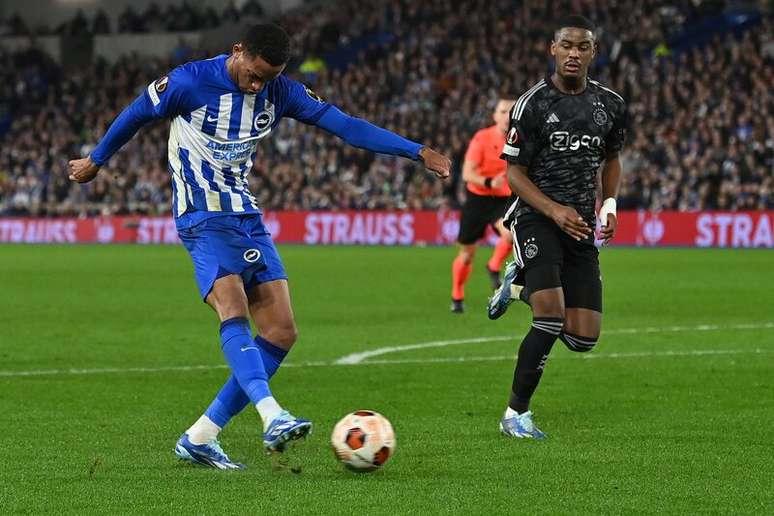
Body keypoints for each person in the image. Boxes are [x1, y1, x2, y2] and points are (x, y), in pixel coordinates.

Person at [68, 23, 450, 468]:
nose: (257, 85)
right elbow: (136, 113)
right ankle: (272, 414)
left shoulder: (281, 92)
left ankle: (201, 436)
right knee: (234, 308)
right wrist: (97, 159)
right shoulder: (189, 81)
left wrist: (416, 151)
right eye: (253, 74)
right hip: (202, 215)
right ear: (237, 52)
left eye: (267, 78)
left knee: (282, 330)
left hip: (246, 215)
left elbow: (345, 125)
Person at [488, 15, 626, 438]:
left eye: (582, 47)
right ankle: (515, 415)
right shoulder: (532, 104)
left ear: (592, 53)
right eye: (566, 45)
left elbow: (612, 159)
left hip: (581, 224)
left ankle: (517, 286)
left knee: (584, 338)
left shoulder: (611, 105)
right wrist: (552, 210)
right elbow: (514, 174)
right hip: (536, 216)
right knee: (549, 318)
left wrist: (610, 205)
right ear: (553, 49)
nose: (573, 53)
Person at [450, 96, 516, 314]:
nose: (507, 116)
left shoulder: (522, 139)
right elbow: (468, 174)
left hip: (502, 200)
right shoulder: (482, 138)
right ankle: (457, 295)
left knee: (509, 234)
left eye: (512, 112)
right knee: (467, 254)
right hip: (477, 200)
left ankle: (494, 266)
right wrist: (489, 181)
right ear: (495, 116)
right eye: (503, 111)